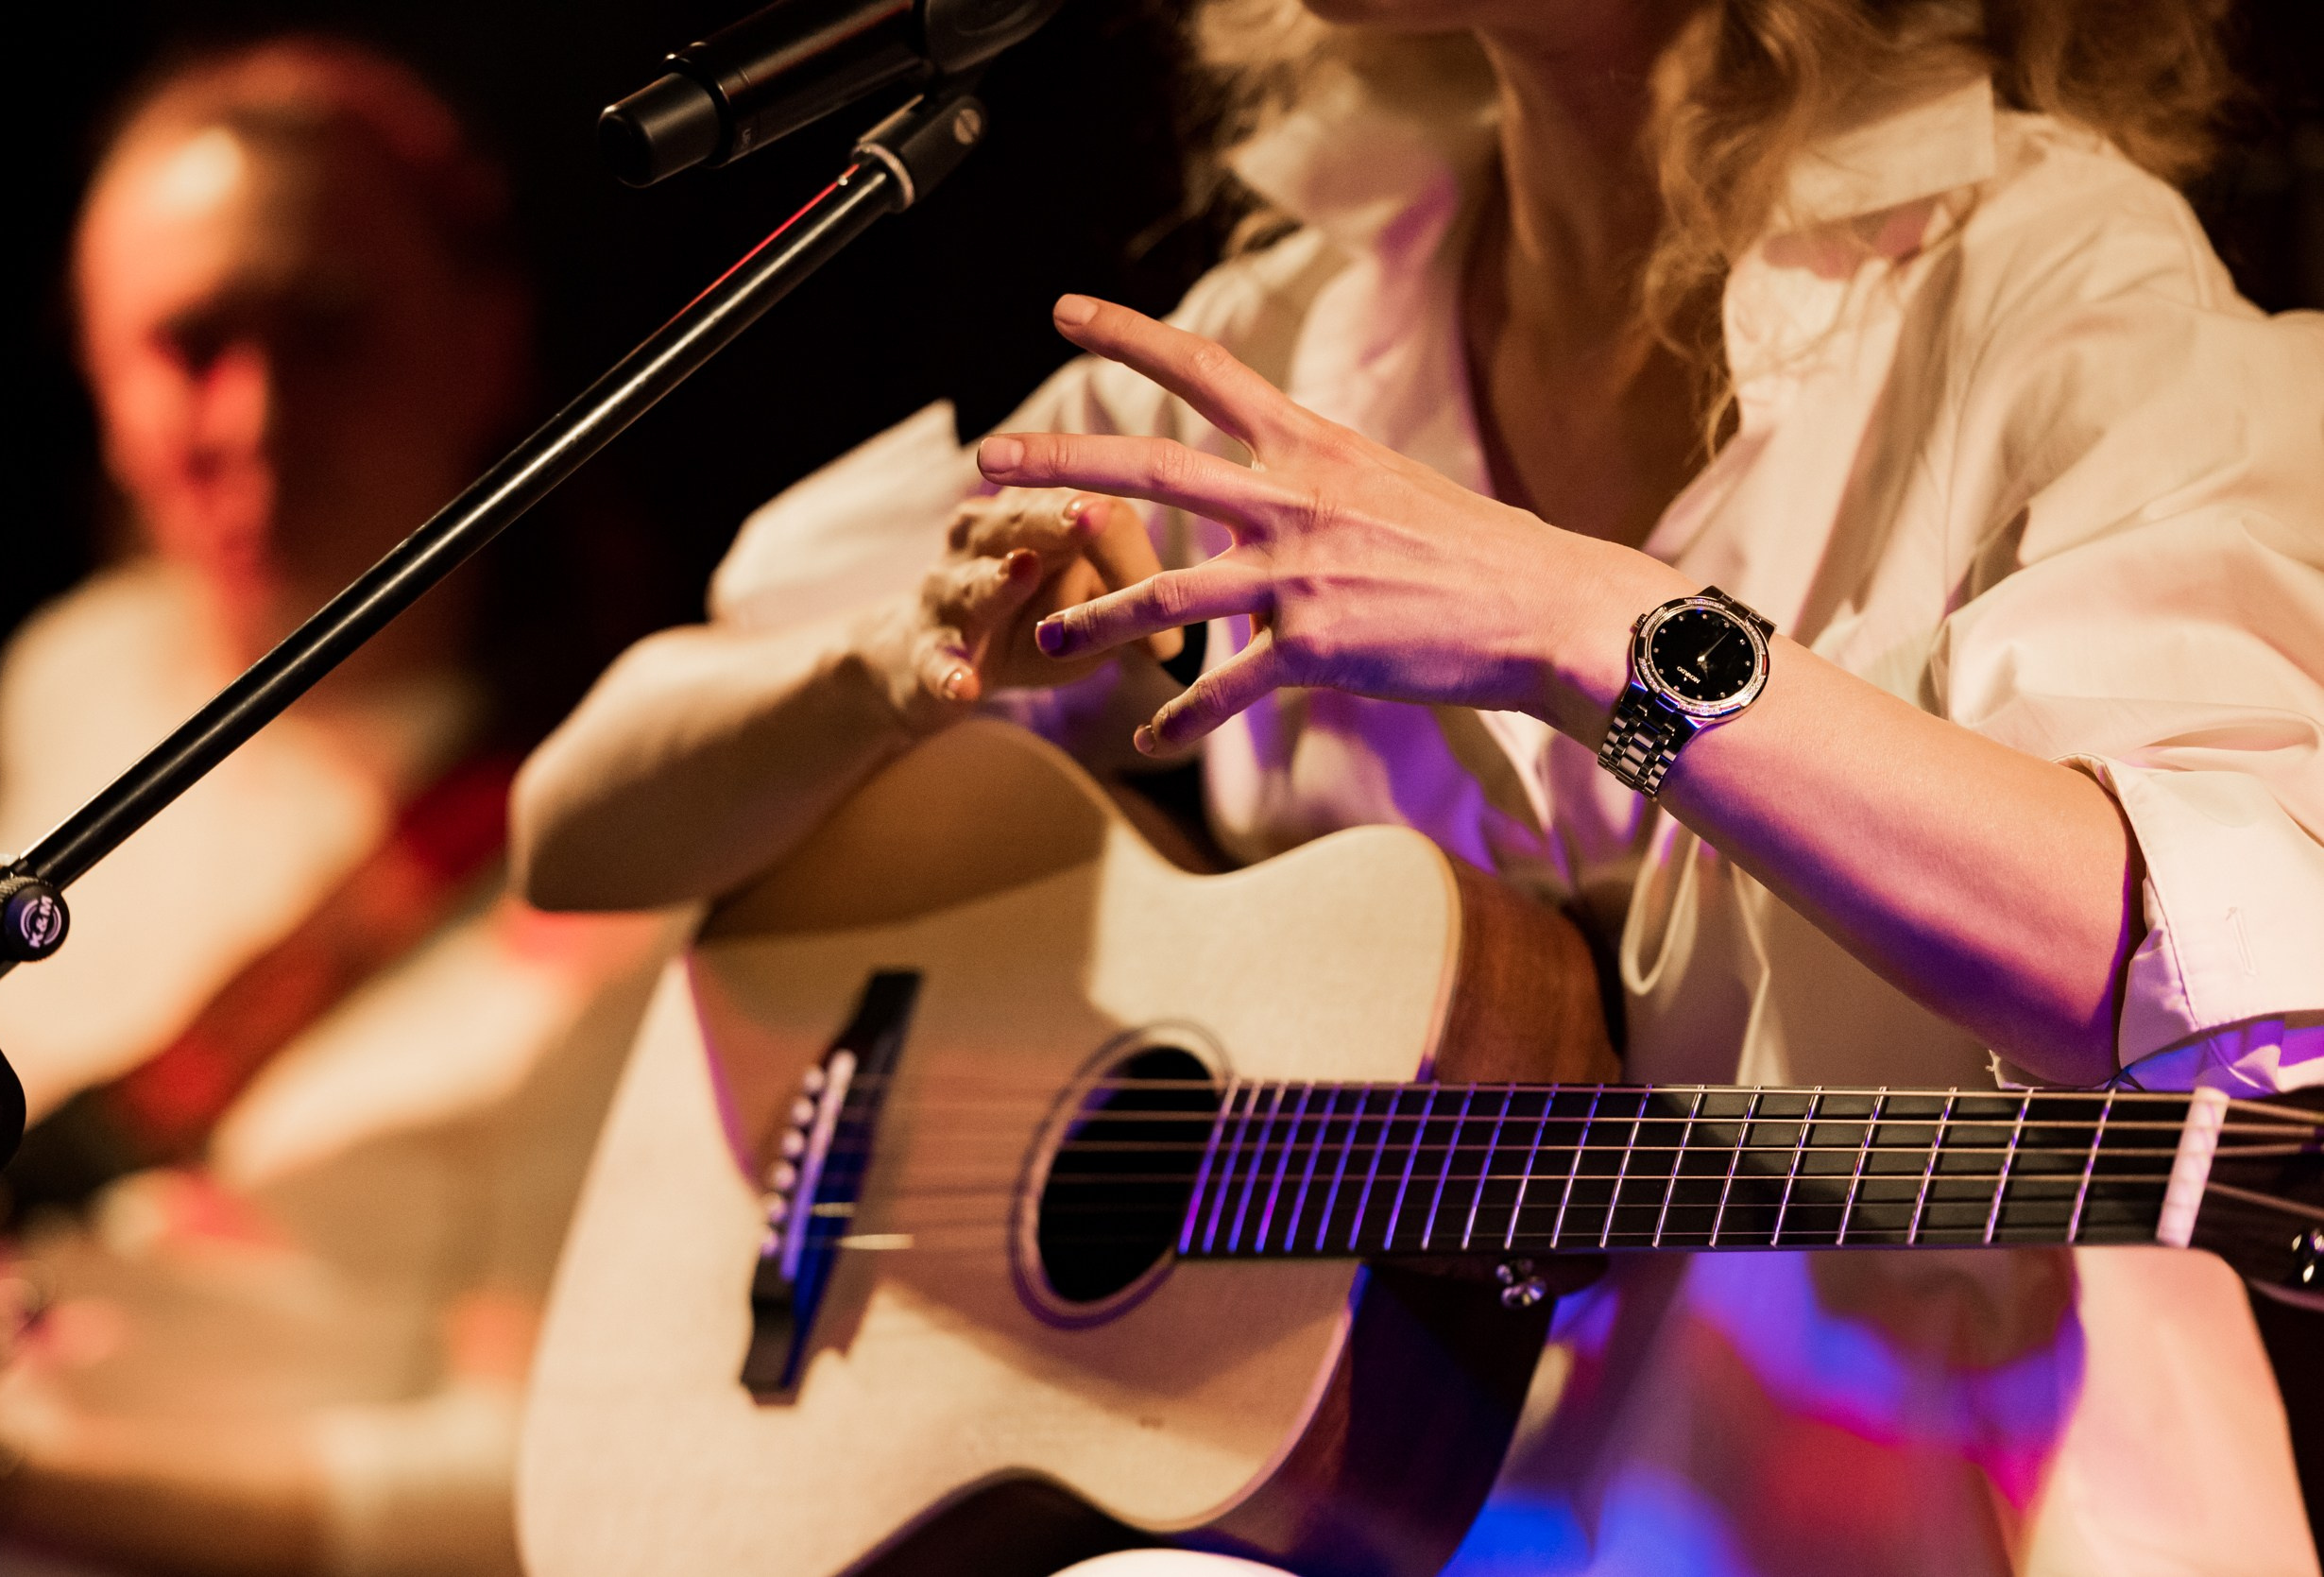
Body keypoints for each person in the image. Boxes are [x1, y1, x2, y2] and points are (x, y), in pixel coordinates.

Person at [512, 0, 2324, 1571]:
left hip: (1920, 1510)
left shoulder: (2060, 296)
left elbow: (2179, 956)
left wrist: (1586, 628)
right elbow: (579, 827)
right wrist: (880, 663)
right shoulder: (1293, 334)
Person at [0, 39, 671, 1576]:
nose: (257, 414)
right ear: (94, 372)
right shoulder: (74, 674)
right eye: (187, 342)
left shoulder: (630, 829)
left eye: (329, 329)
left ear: (487, 339)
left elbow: (538, 1482)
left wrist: (17, 1483)